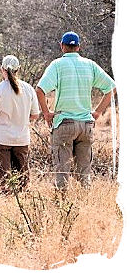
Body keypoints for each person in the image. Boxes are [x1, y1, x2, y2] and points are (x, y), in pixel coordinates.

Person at [36, 31, 116, 190]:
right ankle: (84, 202)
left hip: (64, 124)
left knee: (62, 171)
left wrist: (47, 114)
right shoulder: (90, 65)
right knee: (84, 173)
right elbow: (111, 88)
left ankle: (63, 206)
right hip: (86, 125)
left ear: (62, 46)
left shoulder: (57, 65)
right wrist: (97, 112)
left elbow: (40, 90)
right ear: (78, 46)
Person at [0, 55, 40, 194]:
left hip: (0, 139)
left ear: (2, 69)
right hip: (21, 139)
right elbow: (35, 115)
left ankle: (7, 203)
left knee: (4, 181)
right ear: (18, 69)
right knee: (23, 180)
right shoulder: (28, 89)